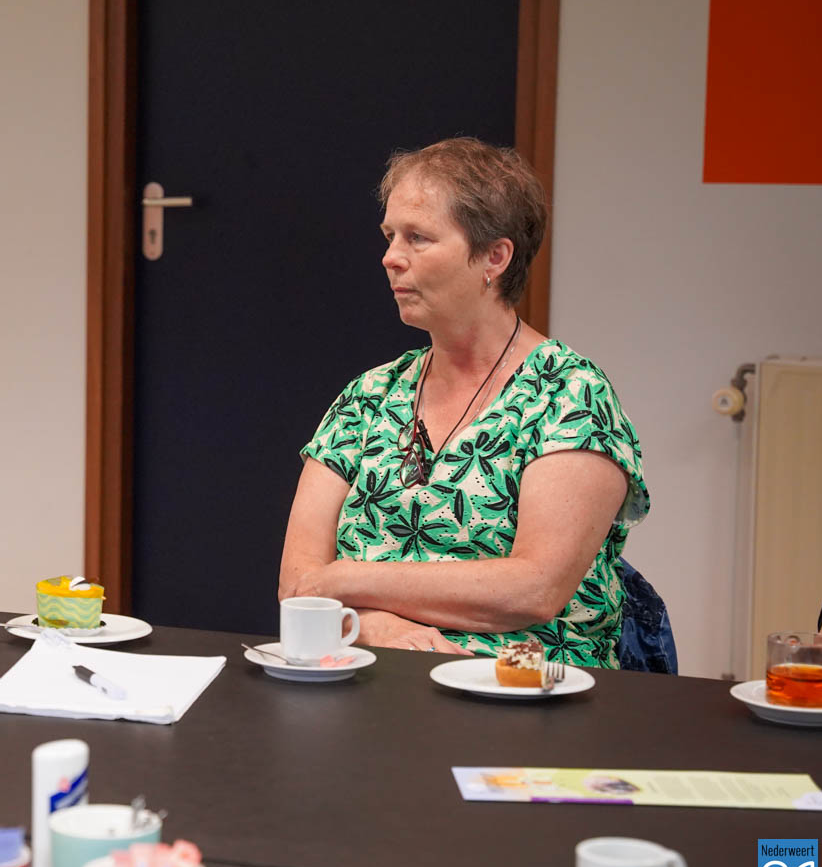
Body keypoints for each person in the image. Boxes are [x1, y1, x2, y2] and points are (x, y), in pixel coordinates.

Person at [277, 138, 648, 667]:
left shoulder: (569, 395)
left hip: (519, 687)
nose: (390, 257)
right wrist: (374, 626)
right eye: (389, 236)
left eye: (418, 238)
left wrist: (345, 579)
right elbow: (297, 587)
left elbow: (534, 589)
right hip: (365, 676)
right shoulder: (368, 396)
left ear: (495, 257)